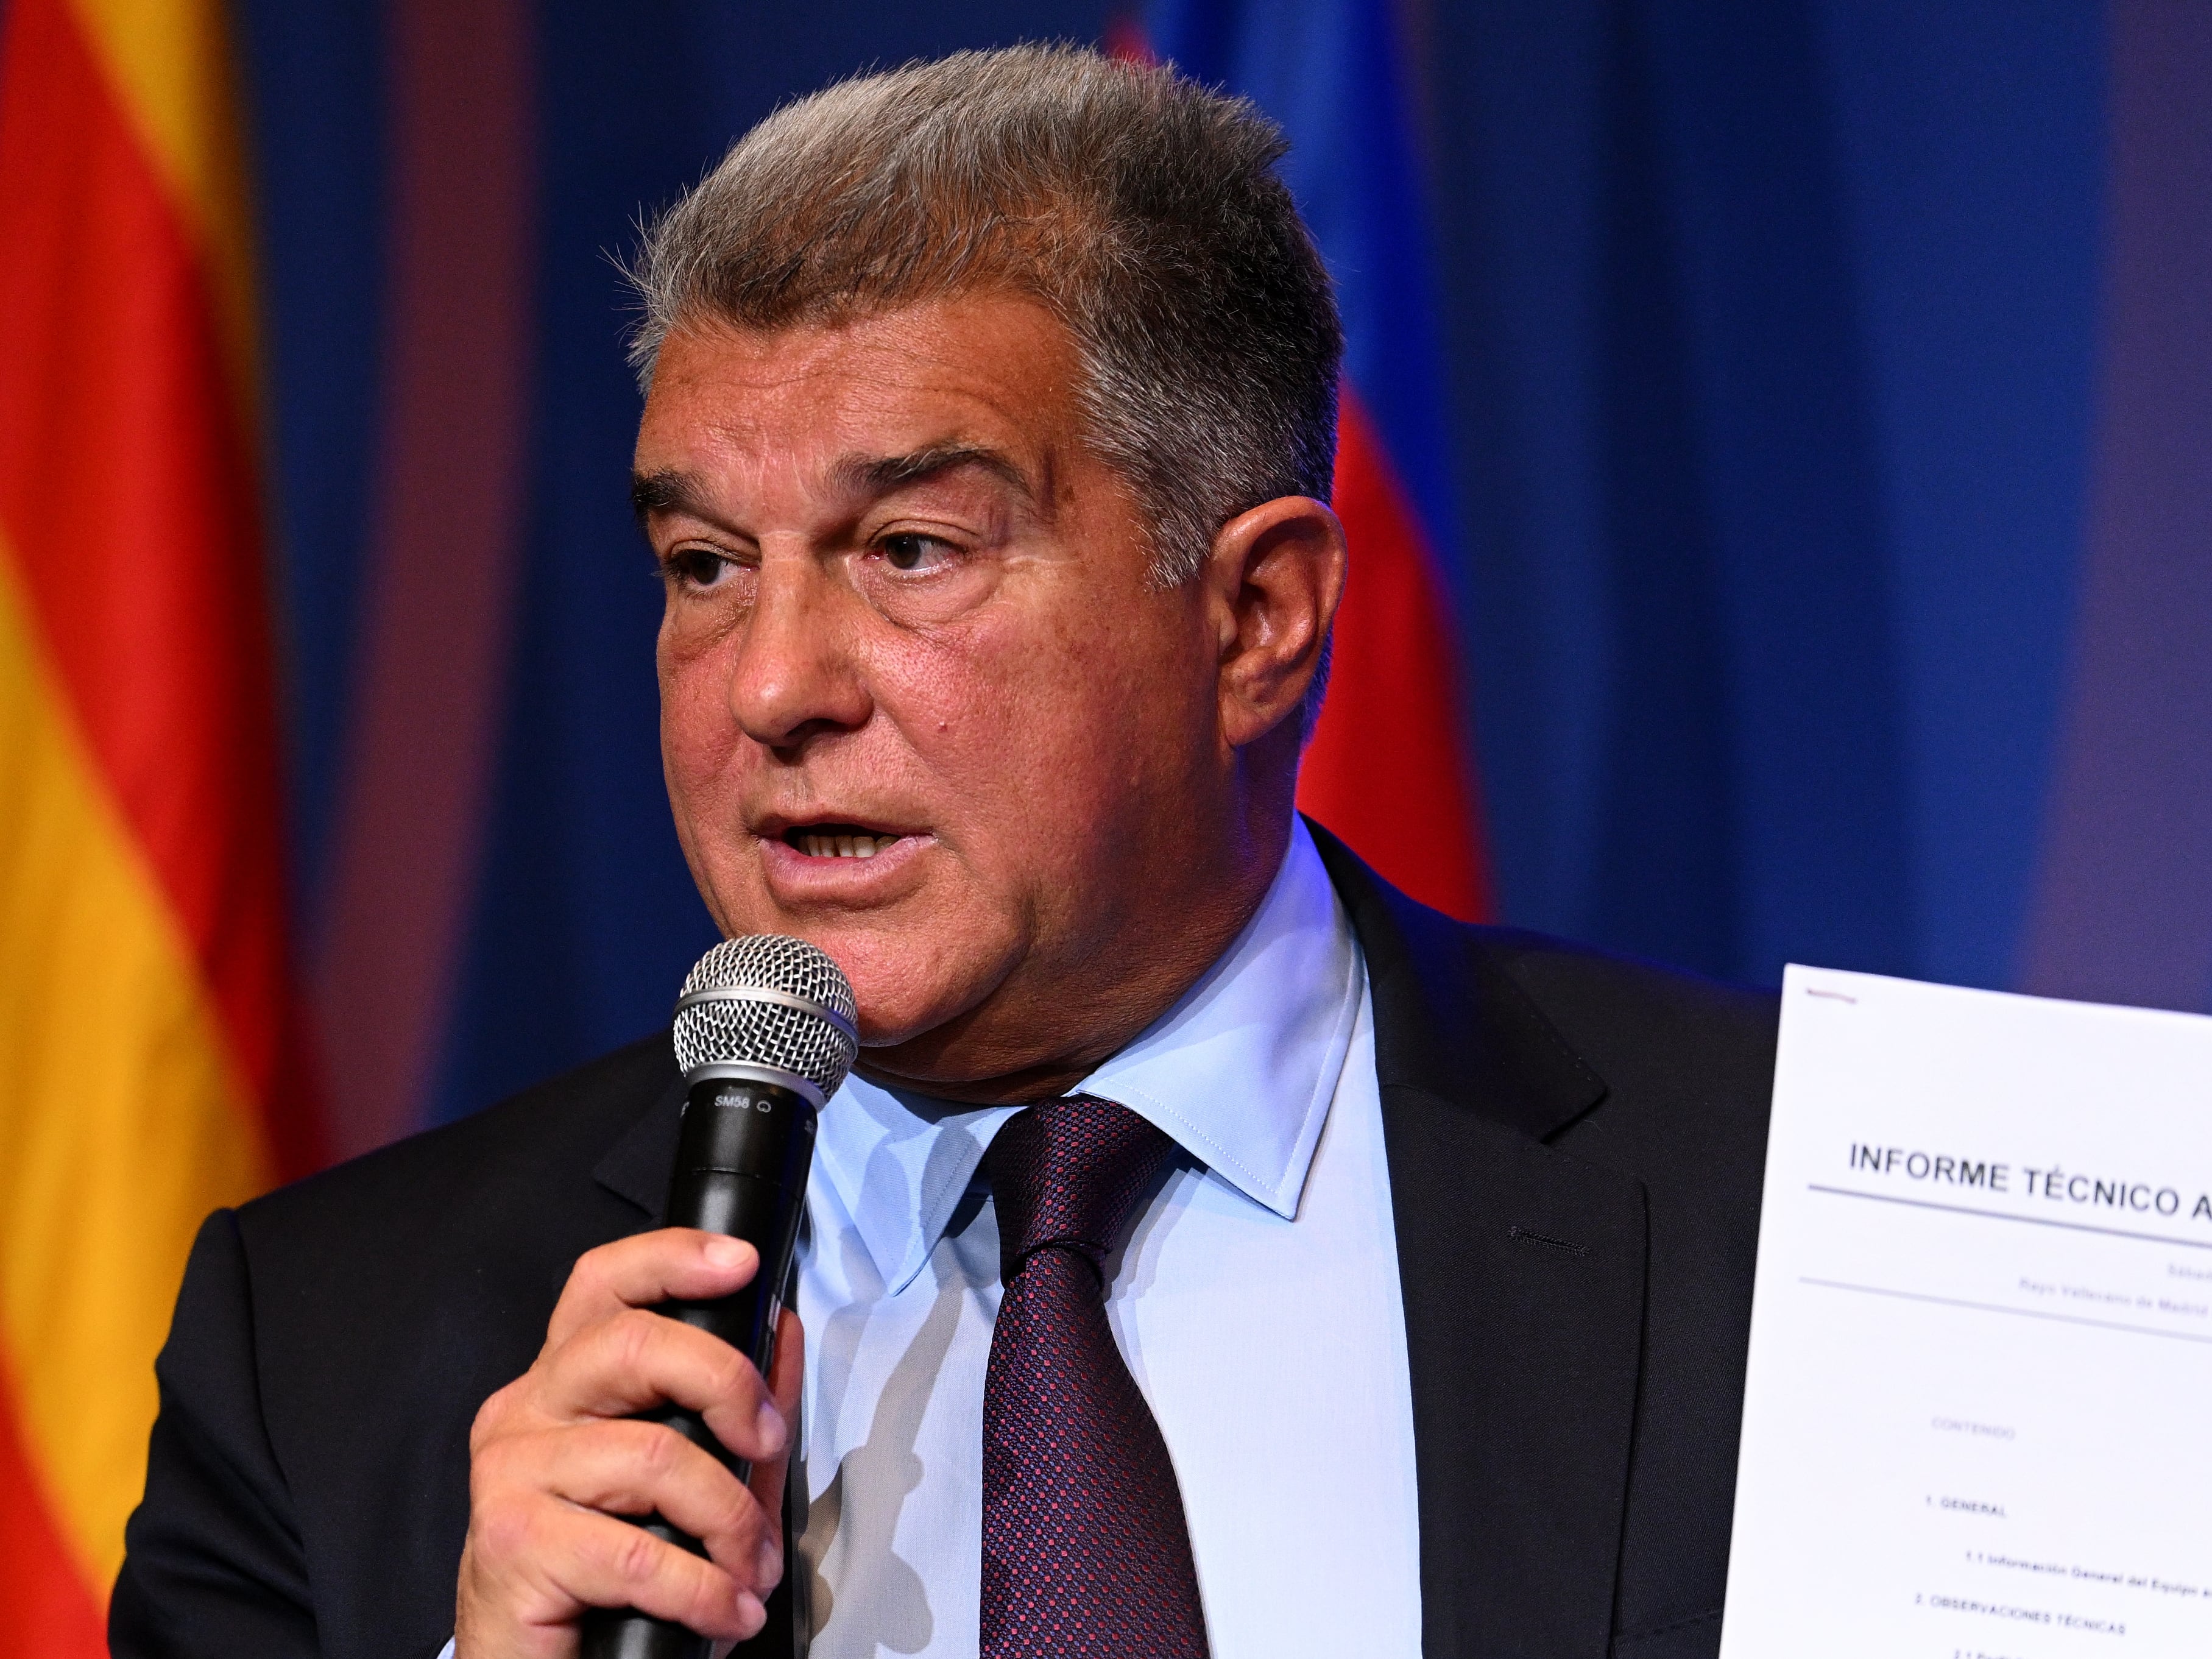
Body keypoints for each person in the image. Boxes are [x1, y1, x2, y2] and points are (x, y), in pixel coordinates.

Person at [110, 44, 1774, 1659]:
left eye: (909, 549)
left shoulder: (1769, 1213)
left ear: (1256, 615)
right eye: (703, 565)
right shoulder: (327, 1359)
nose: (768, 686)